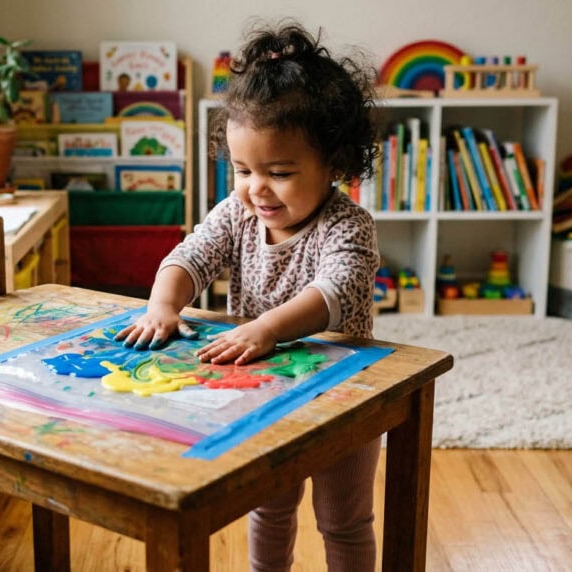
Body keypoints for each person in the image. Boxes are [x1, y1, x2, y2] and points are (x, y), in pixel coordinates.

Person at [115, 20, 381, 571]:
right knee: (271, 509)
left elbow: (333, 292)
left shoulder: (348, 225)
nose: (256, 187)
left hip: (344, 397)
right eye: (242, 169)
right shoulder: (237, 213)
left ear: (336, 166)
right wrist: (163, 305)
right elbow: (188, 258)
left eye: (279, 172)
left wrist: (265, 328)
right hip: (263, 394)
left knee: (344, 522)